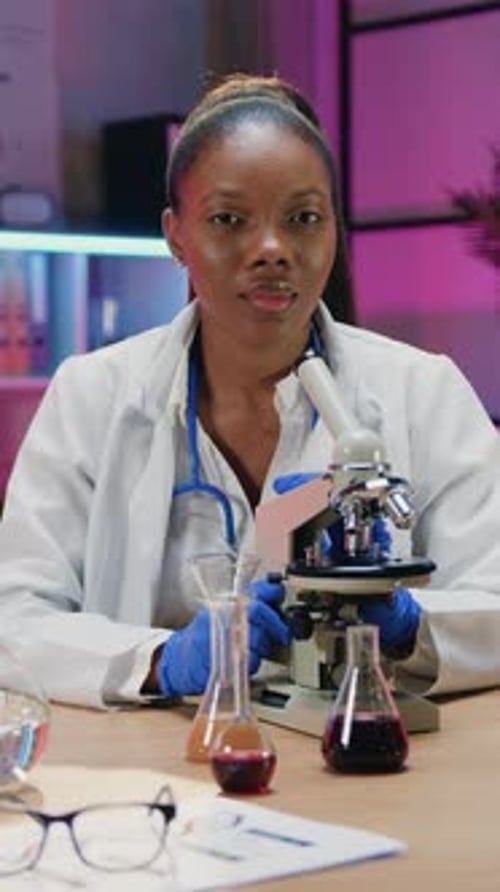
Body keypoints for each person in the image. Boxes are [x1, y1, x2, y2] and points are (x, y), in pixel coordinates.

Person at [1, 73, 500, 709]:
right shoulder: (91, 395)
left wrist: (409, 627)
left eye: (303, 218)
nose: (272, 249)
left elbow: (495, 600)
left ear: (332, 231)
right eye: (229, 219)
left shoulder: (422, 392)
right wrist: (158, 661)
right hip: (155, 767)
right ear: (175, 235)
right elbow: (14, 617)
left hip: (362, 770)